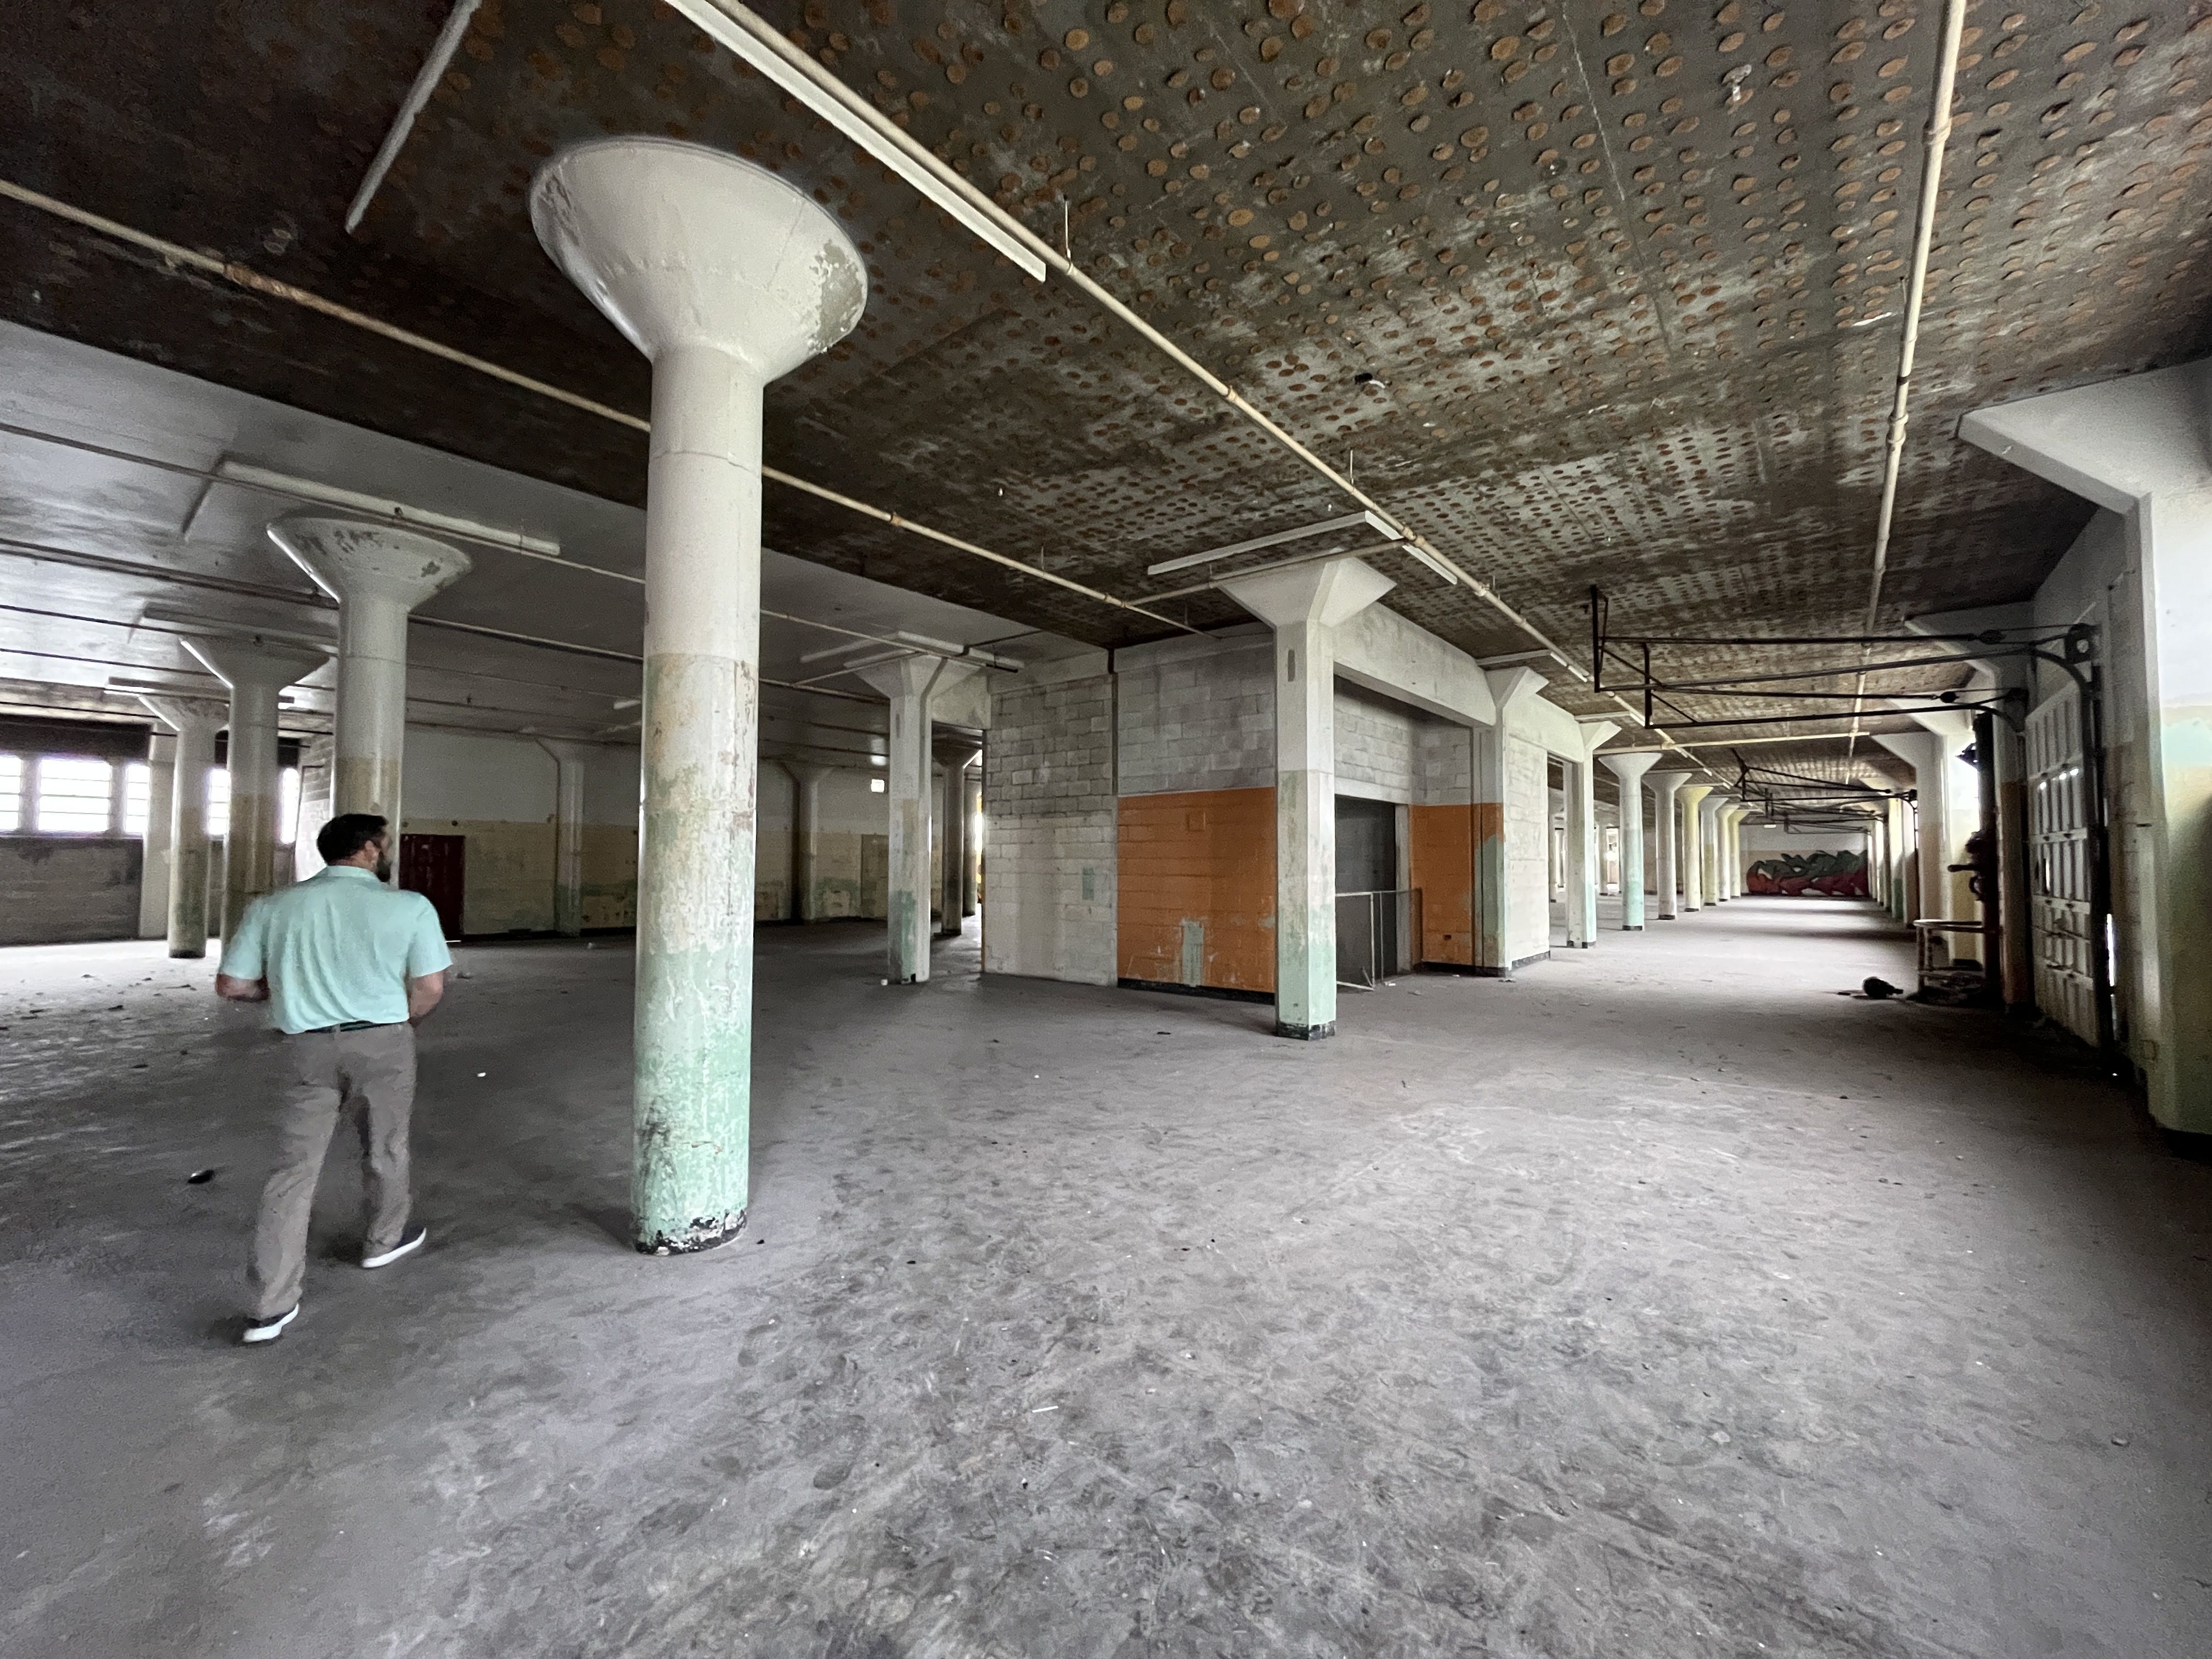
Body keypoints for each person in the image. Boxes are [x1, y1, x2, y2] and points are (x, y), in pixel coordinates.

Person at [215, 812, 452, 1344]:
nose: (386, 853)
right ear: (369, 850)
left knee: (292, 1173)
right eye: (384, 845)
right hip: (383, 1041)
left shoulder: (273, 906)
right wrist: (399, 1021)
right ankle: (382, 1240)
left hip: (306, 1047)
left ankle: (269, 1306)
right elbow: (431, 987)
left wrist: (281, 996)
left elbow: (232, 985)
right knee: (386, 1147)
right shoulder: (409, 906)